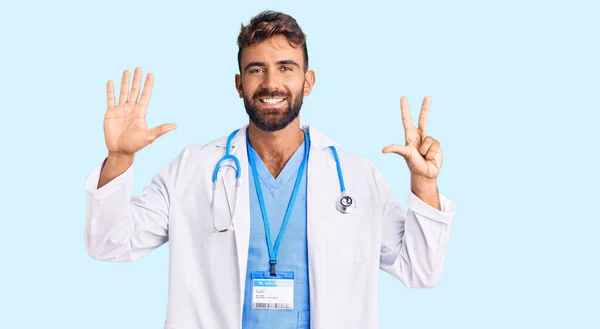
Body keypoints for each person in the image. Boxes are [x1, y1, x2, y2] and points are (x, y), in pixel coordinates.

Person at [84, 10, 456, 329]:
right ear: (238, 84)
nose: (271, 83)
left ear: (308, 82)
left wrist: (424, 182)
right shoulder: (192, 171)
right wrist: (119, 158)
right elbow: (109, 244)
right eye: (256, 69)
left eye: (286, 68)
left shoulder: (357, 178)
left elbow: (419, 269)